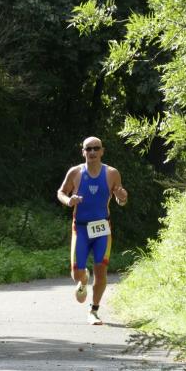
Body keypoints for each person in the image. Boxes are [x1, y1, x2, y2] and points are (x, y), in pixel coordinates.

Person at [56, 136, 128, 325]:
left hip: (102, 229)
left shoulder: (111, 173)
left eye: (96, 148)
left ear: (102, 151)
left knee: (101, 269)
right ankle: (83, 277)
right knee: (76, 273)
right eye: (89, 149)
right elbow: (61, 192)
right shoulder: (75, 172)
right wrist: (68, 201)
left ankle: (94, 310)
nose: (93, 152)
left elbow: (120, 199)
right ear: (83, 152)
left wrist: (122, 197)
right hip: (80, 229)